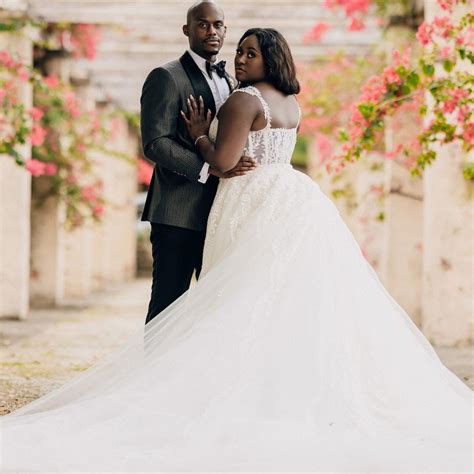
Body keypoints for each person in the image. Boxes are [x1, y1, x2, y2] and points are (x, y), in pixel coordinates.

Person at [1, 27, 472, 473]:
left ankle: (206, 391)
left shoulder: (244, 100)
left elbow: (225, 161)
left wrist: (202, 132)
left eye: (251, 52)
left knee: (235, 297)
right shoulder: (291, 103)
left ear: (271, 58)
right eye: (240, 51)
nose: (240, 59)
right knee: (278, 299)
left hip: (248, 199)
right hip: (289, 195)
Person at [140, 0, 256, 324]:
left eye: (218, 25)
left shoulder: (233, 83)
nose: (212, 31)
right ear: (186, 30)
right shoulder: (165, 76)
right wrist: (207, 168)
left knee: (214, 309)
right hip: (177, 212)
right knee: (168, 305)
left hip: (221, 213)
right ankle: (156, 374)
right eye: (203, 24)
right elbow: (155, 143)